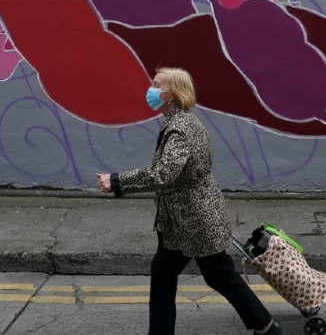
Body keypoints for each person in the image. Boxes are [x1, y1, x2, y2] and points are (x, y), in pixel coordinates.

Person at [95, 67, 282, 335]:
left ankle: (267, 328)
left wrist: (116, 181)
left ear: (170, 94)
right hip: (184, 221)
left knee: (219, 275)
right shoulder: (180, 121)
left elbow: (163, 173)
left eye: (156, 84)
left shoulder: (180, 129)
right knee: (170, 274)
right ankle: (265, 328)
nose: (150, 89)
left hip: (195, 221)